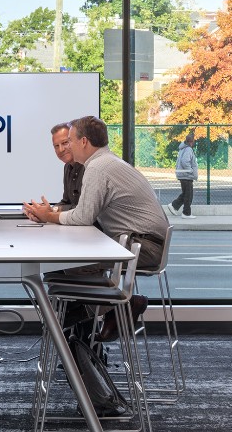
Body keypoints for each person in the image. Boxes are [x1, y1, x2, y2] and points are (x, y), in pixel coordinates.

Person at [23, 116, 168, 340]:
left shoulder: (98, 167)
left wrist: (49, 216)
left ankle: (112, 308)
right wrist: (51, 214)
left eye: (69, 140)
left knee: (71, 260)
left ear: (83, 142)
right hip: (138, 242)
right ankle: (78, 321)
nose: (66, 147)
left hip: (142, 247)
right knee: (65, 262)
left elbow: (83, 216)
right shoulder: (105, 162)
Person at [50, 122, 85, 212]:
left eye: (65, 143)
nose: (61, 150)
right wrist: (47, 209)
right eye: (56, 146)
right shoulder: (67, 167)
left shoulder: (90, 167)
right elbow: (66, 202)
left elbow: (84, 210)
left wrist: (54, 210)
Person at [169, 131, 198, 219]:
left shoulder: (182, 149)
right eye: (193, 141)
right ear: (191, 142)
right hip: (186, 175)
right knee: (188, 195)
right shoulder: (188, 149)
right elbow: (185, 161)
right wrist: (191, 170)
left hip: (183, 174)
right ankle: (185, 213)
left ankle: (175, 206)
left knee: (186, 194)